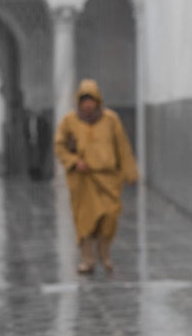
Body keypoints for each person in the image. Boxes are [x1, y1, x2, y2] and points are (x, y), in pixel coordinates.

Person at [54, 79, 137, 274]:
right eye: (84, 100)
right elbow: (59, 146)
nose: (88, 105)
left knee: (109, 217)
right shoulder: (69, 121)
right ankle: (87, 259)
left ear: (98, 100)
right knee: (85, 220)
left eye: (91, 100)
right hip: (83, 180)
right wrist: (74, 161)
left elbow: (122, 147)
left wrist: (130, 172)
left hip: (108, 178)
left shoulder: (110, 119)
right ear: (79, 102)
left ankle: (105, 254)